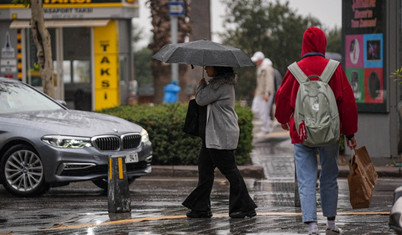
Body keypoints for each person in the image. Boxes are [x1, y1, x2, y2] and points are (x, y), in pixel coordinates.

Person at [274, 26, 358, 235]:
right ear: (323, 43)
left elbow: (282, 99)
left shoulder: (294, 70)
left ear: (304, 44)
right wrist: (350, 133)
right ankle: (330, 223)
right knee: (329, 176)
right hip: (329, 133)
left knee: (306, 178)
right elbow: (346, 102)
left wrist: (284, 120)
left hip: (301, 133)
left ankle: (312, 226)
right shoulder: (334, 68)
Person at [182, 66, 257, 219]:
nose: (206, 68)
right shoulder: (218, 85)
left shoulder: (221, 86)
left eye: (208, 66)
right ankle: (201, 208)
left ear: (218, 69)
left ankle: (245, 207)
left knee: (230, 170)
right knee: (205, 170)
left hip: (221, 135)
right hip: (212, 136)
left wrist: (201, 85)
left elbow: (201, 100)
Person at [250, 51, 275, 133]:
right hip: (259, 93)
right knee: (255, 110)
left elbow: (269, 81)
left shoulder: (267, 68)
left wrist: (267, 93)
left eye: (256, 60)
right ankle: (268, 123)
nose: (255, 62)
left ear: (261, 59)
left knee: (264, 111)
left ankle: (266, 128)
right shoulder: (260, 67)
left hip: (265, 93)